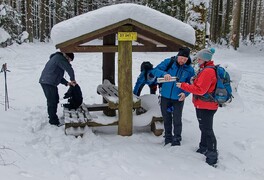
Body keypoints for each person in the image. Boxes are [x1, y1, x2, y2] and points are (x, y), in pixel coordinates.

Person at [176, 48, 218, 166]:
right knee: (203, 127)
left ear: (204, 59)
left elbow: (200, 90)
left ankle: (212, 155)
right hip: (203, 104)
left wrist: (184, 86)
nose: (197, 60)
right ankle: (203, 147)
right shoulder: (204, 69)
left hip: (207, 105)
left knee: (207, 129)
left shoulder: (207, 71)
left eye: (199, 58)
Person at [151, 47, 195, 146]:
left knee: (177, 119)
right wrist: (164, 74)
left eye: (185, 59)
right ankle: (168, 138)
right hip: (165, 97)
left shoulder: (189, 70)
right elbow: (154, 70)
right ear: (177, 56)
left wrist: (185, 93)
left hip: (178, 98)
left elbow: (191, 83)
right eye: (181, 58)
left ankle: (177, 139)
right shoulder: (169, 62)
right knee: (166, 118)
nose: (182, 61)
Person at [39, 52, 76, 126]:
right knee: (52, 101)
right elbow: (69, 69)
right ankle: (53, 121)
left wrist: (67, 83)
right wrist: (73, 80)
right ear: (66, 56)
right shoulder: (60, 59)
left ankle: (53, 118)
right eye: (69, 60)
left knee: (55, 99)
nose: (69, 62)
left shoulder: (57, 59)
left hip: (48, 82)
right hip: (48, 82)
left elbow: (57, 75)